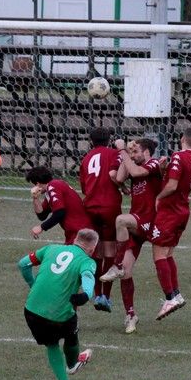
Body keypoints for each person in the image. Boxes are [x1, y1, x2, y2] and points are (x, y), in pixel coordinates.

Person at [17, 228, 98, 380]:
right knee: (71, 334)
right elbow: (88, 277)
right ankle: (73, 365)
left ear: (75, 240)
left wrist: (33, 284)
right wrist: (86, 295)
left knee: (51, 344)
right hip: (60, 315)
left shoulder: (50, 248)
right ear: (92, 249)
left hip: (32, 310)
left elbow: (23, 264)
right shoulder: (87, 261)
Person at [100, 138, 165, 333]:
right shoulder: (133, 163)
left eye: (136, 152)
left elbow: (136, 172)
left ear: (146, 152)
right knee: (126, 273)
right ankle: (130, 315)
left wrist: (122, 151)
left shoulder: (153, 164)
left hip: (148, 220)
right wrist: (126, 154)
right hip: (137, 222)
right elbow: (120, 178)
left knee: (121, 220)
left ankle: (116, 265)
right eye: (132, 153)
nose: (133, 156)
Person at [150, 127, 191, 320]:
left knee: (159, 254)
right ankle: (176, 294)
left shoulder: (179, 156)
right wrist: (165, 169)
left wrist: (158, 196)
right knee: (168, 253)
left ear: (182, 139)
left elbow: (172, 185)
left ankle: (169, 298)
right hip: (182, 210)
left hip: (170, 211)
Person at [78, 127, 123, 313]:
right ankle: (106, 296)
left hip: (90, 206)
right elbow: (116, 175)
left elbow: (83, 187)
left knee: (95, 251)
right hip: (109, 206)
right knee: (110, 249)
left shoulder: (86, 158)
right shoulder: (113, 153)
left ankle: (96, 294)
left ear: (91, 141)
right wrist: (122, 186)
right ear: (109, 140)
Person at [26, 166, 92, 245]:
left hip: (80, 232)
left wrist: (41, 227)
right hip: (76, 232)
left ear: (37, 183)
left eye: (33, 185)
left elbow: (60, 213)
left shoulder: (53, 186)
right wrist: (35, 198)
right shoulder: (52, 188)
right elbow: (42, 215)